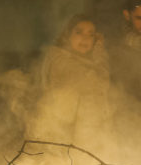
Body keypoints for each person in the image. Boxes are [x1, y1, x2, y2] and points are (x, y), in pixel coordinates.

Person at [31, 14, 110, 150]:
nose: (85, 38)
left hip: (83, 141)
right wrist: (100, 51)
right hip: (60, 139)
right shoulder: (59, 59)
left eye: (91, 35)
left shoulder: (88, 61)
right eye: (79, 32)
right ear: (67, 35)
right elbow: (97, 82)